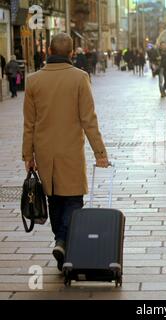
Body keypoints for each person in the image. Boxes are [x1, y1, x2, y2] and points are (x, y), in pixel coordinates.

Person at [22, 33, 109, 272]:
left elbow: (29, 123)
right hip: (71, 151)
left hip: (44, 153)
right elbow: (88, 119)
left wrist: (28, 156)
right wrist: (100, 153)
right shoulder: (80, 78)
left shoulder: (33, 80)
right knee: (73, 201)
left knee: (54, 201)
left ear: (49, 50)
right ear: (72, 53)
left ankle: (61, 244)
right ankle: (62, 241)